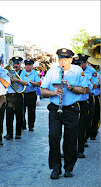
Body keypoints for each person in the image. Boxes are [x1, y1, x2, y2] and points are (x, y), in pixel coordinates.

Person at [41, 48, 86, 179]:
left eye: (66, 59)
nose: (63, 62)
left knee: (71, 140)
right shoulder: (52, 71)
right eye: (60, 59)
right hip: (55, 108)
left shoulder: (77, 71)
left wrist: (70, 87)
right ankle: (56, 168)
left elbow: (83, 90)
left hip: (71, 109)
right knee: (54, 138)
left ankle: (68, 168)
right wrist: (53, 92)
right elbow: (43, 90)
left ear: (71, 59)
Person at [71, 54, 91, 158]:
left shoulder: (85, 75)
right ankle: (68, 150)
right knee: (69, 129)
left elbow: (89, 89)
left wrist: (76, 88)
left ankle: (80, 149)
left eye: (79, 64)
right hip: (71, 104)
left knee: (81, 127)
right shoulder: (68, 74)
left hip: (82, 104)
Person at [4, 56, 25, 140]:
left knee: (19, 115)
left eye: (18, 64)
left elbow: (26, 83)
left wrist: (17, 80)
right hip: (9, 96)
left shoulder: (23, 73)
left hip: (18, 96)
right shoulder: (8, 72)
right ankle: (9, 134)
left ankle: (18, 133)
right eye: (15, 63)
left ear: (20, 64)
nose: (16, 65)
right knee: (9, 116)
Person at [81, 58, 98, 145]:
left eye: (83, 63)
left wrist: (88, 86)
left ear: (86, 63)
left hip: (89, 96)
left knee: (88, 119)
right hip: (78, 97)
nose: (82, 65)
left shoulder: (92, 71)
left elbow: (95, 85)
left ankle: (85, 138)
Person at [21, 59, 41, 131]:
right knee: (22, 111)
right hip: (23, 94)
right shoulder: (22, 72)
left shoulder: (35, 73)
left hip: (31, 94)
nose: (27, 67)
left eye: (29, 65)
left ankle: (31, 125)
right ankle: (23, 125)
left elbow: (38, 83)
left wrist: (31, 82)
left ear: (32, 66)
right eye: (26, 65)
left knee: (31, 111)